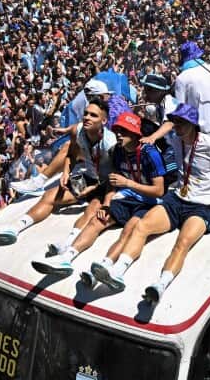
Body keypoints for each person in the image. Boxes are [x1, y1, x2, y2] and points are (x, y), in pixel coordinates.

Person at [89, 104, 210, 304]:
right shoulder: (176, 140)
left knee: (183, 242)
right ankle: (118, 272)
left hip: (202, 205)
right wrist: (154, 136)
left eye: (182, 122)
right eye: (176, 122)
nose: (177, 126)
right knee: (141, 226)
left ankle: (161, 285)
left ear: (193, 124)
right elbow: (166, 125)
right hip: (177, 199)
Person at [34, 111, 167, 276]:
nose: (118, 134)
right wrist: (107, 204)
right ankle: (66, 258)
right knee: (97, 219)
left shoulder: (150, 154)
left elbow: (159, 191)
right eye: (117, 130)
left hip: (149, 203)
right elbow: (113, 181)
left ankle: (108, 267)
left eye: (123, 131)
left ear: (134, 134)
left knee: (129, 231)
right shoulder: (118, 151)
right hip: (127, 197)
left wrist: (128, 183)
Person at [0, 101, 114, 244]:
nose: (87, 117)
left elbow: (119, 176)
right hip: (90, 178)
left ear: (104, 121)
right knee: (49, 195)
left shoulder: (111, 143)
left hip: (108, 185)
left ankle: (67, 246)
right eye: (86, 113)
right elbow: (72, 154)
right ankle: (13, 229)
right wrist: (66, 172)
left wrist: (95, 189)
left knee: (93, 210)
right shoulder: (79, 130)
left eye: (93, 115)